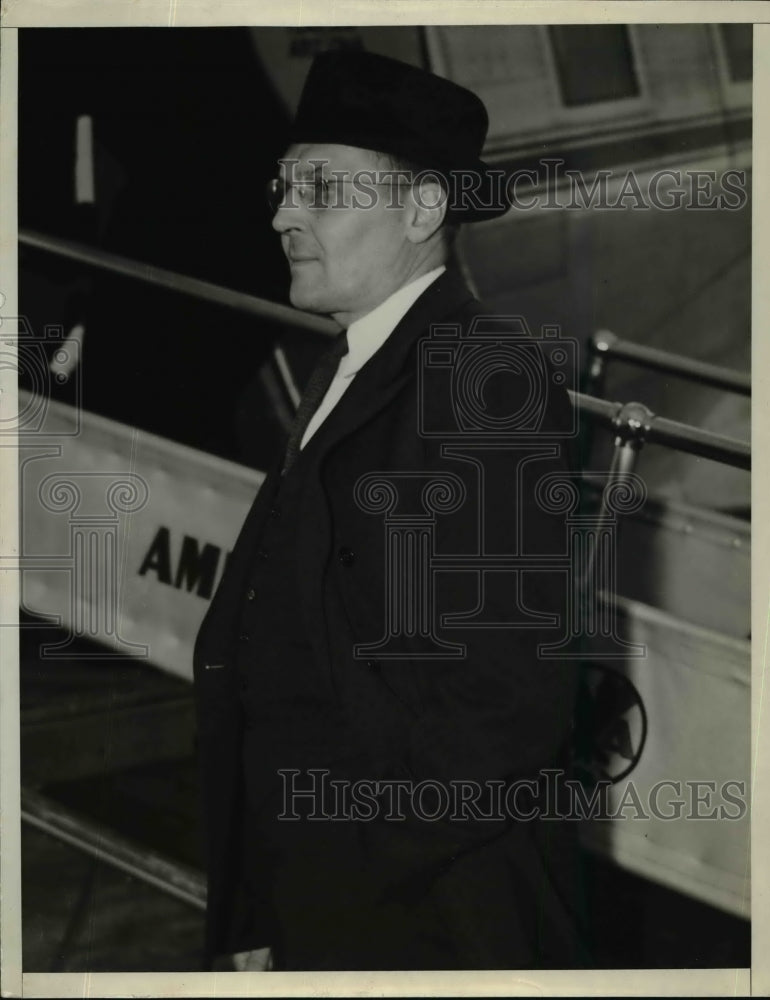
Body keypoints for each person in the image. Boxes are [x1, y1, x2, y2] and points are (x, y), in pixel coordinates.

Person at [193, 49, 585, 972]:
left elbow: (501, 708)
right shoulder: (350, 363)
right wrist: (261, 902)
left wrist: (335, 884)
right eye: (283, 185)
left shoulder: (492, 375)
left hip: (426, 922)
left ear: (422, 209)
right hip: (313, 902)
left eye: (320, 188)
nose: (284, 213)